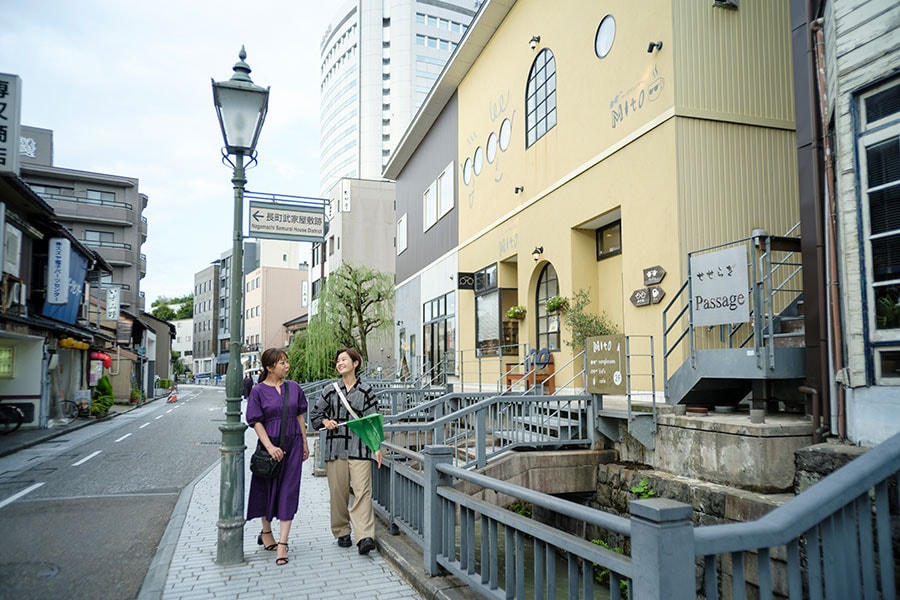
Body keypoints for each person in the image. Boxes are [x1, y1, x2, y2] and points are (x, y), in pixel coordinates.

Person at [309, 347, 383, 555]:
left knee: (362, 492)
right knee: (338, 493)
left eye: (344, 360)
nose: (339, 363)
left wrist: (377, 448)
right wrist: (325, 421)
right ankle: (342, 531)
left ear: (355, 363)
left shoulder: (366, 391)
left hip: (360, 447)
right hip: (336, 448)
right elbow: (315, 414)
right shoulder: (330, 390)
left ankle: (364, 536)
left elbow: (373, 421)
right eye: (338, 361)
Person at [245, 348, 309, 566]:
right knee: (266, 488)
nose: (287, 365)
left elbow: (299, 415)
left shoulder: (294, 388)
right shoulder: (258, 391)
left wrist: (305, 442)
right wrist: (270, 447)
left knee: (289, 491)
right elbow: (256, 422)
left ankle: (283, 543)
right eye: (282, 363)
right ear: (269, 367)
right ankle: (266, 532)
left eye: (287, 361)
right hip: (269, 446)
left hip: (293, 444)